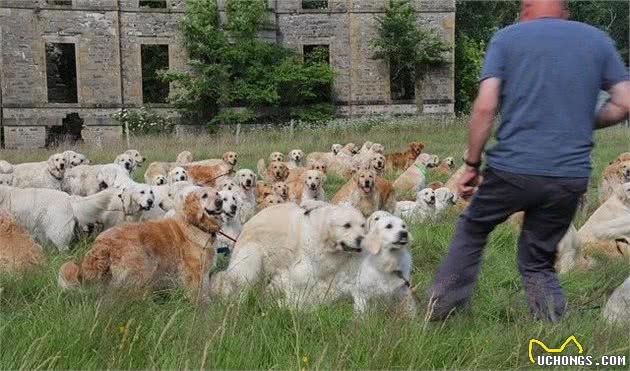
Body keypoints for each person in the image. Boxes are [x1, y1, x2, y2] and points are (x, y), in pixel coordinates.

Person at [428, 0, 630, 322]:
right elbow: (623, 104)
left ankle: (441, 313)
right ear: (564, 10)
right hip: (569, 177)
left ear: (526, 8)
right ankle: (551, 326)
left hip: (513, 169)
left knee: (473, 227)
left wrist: (470, 165)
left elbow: (484, 107)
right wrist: (581, 120)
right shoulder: (596, 40)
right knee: (537, 258)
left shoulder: (507, 39)